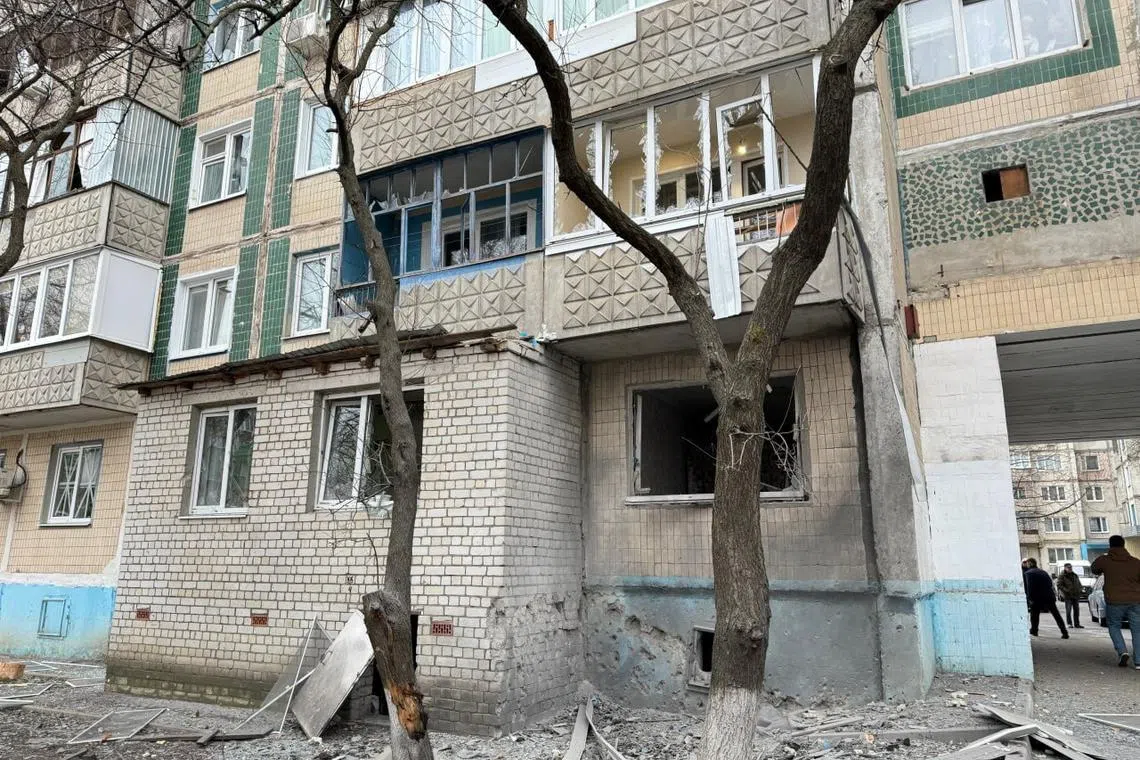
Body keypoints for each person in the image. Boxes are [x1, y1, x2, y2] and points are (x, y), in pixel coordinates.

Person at [1091, 535, 1140, 668]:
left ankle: (1122, 651)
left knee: (1114, 626)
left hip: (1114, 601)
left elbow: (1094, 569)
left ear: (1110, 545)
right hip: (1135, 601)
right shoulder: (1135, 562)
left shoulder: (1105, 560)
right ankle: (1138, 661)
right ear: (1124, 545)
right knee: (1137, 630)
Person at [1024, 558, 1069, 639]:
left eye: (1027, 563)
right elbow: (1050, 583)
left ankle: (1034, 630)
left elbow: (1029, 587)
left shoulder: (1028, 573)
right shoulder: (1043, 572)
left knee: (1034, 615)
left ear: (1030, 563)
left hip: (1036, 598)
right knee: (1056, 615)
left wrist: (1029, 598)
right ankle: (1064, 632)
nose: (1026, 565)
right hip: (1049, 596)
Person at [1055, 563, 1085, 629]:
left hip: (1075, 595)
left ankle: (1077, 624)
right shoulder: (1062, 576)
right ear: (1065, 568)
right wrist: (1066, 590)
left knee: (1076, 610)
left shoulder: (1074, 575)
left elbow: (1079, 583)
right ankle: (1069, 623)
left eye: (1071, 567)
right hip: (1068, 596)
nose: (1070, 569)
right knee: (1068, 610)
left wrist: (1080, 589)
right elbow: (1059, 585)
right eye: (1068, 568)